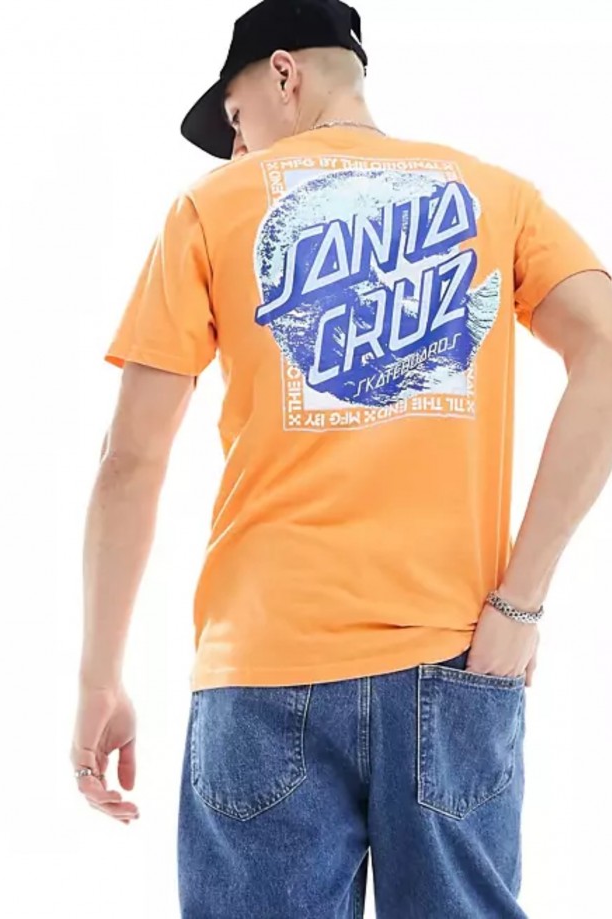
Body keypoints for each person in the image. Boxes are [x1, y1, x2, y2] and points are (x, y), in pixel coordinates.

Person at [70, 1, 612, 915]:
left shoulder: (209, 208)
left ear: (283, 74)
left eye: (235, 118)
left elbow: (129, 460)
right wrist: (518, 603)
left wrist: (99, 678)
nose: (237, 149)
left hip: (262, 671)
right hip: (457, 665)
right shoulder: (497, 196)